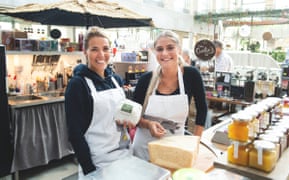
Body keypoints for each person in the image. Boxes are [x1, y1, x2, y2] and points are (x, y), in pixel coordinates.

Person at [65, 26, 134, 179]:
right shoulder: (78, 84)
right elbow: (75, 134)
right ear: (85, 52)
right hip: (98, 163)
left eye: (105, 48)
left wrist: (128, 120)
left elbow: (119, 114)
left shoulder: (116, 80)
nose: (101, 54)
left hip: (125, 154)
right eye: (94, 49)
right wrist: (91, 171)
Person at [132, 30, 208, 161]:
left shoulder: (191, 75)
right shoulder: (146, 80)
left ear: (178, 50)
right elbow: (133, 116)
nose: (165, 53)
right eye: (160, 49)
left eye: (170, 48)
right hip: (144, 149)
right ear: (155, 52)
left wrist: (195, 143)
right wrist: (149, 124)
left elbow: (202, 110)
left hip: (175, 149)